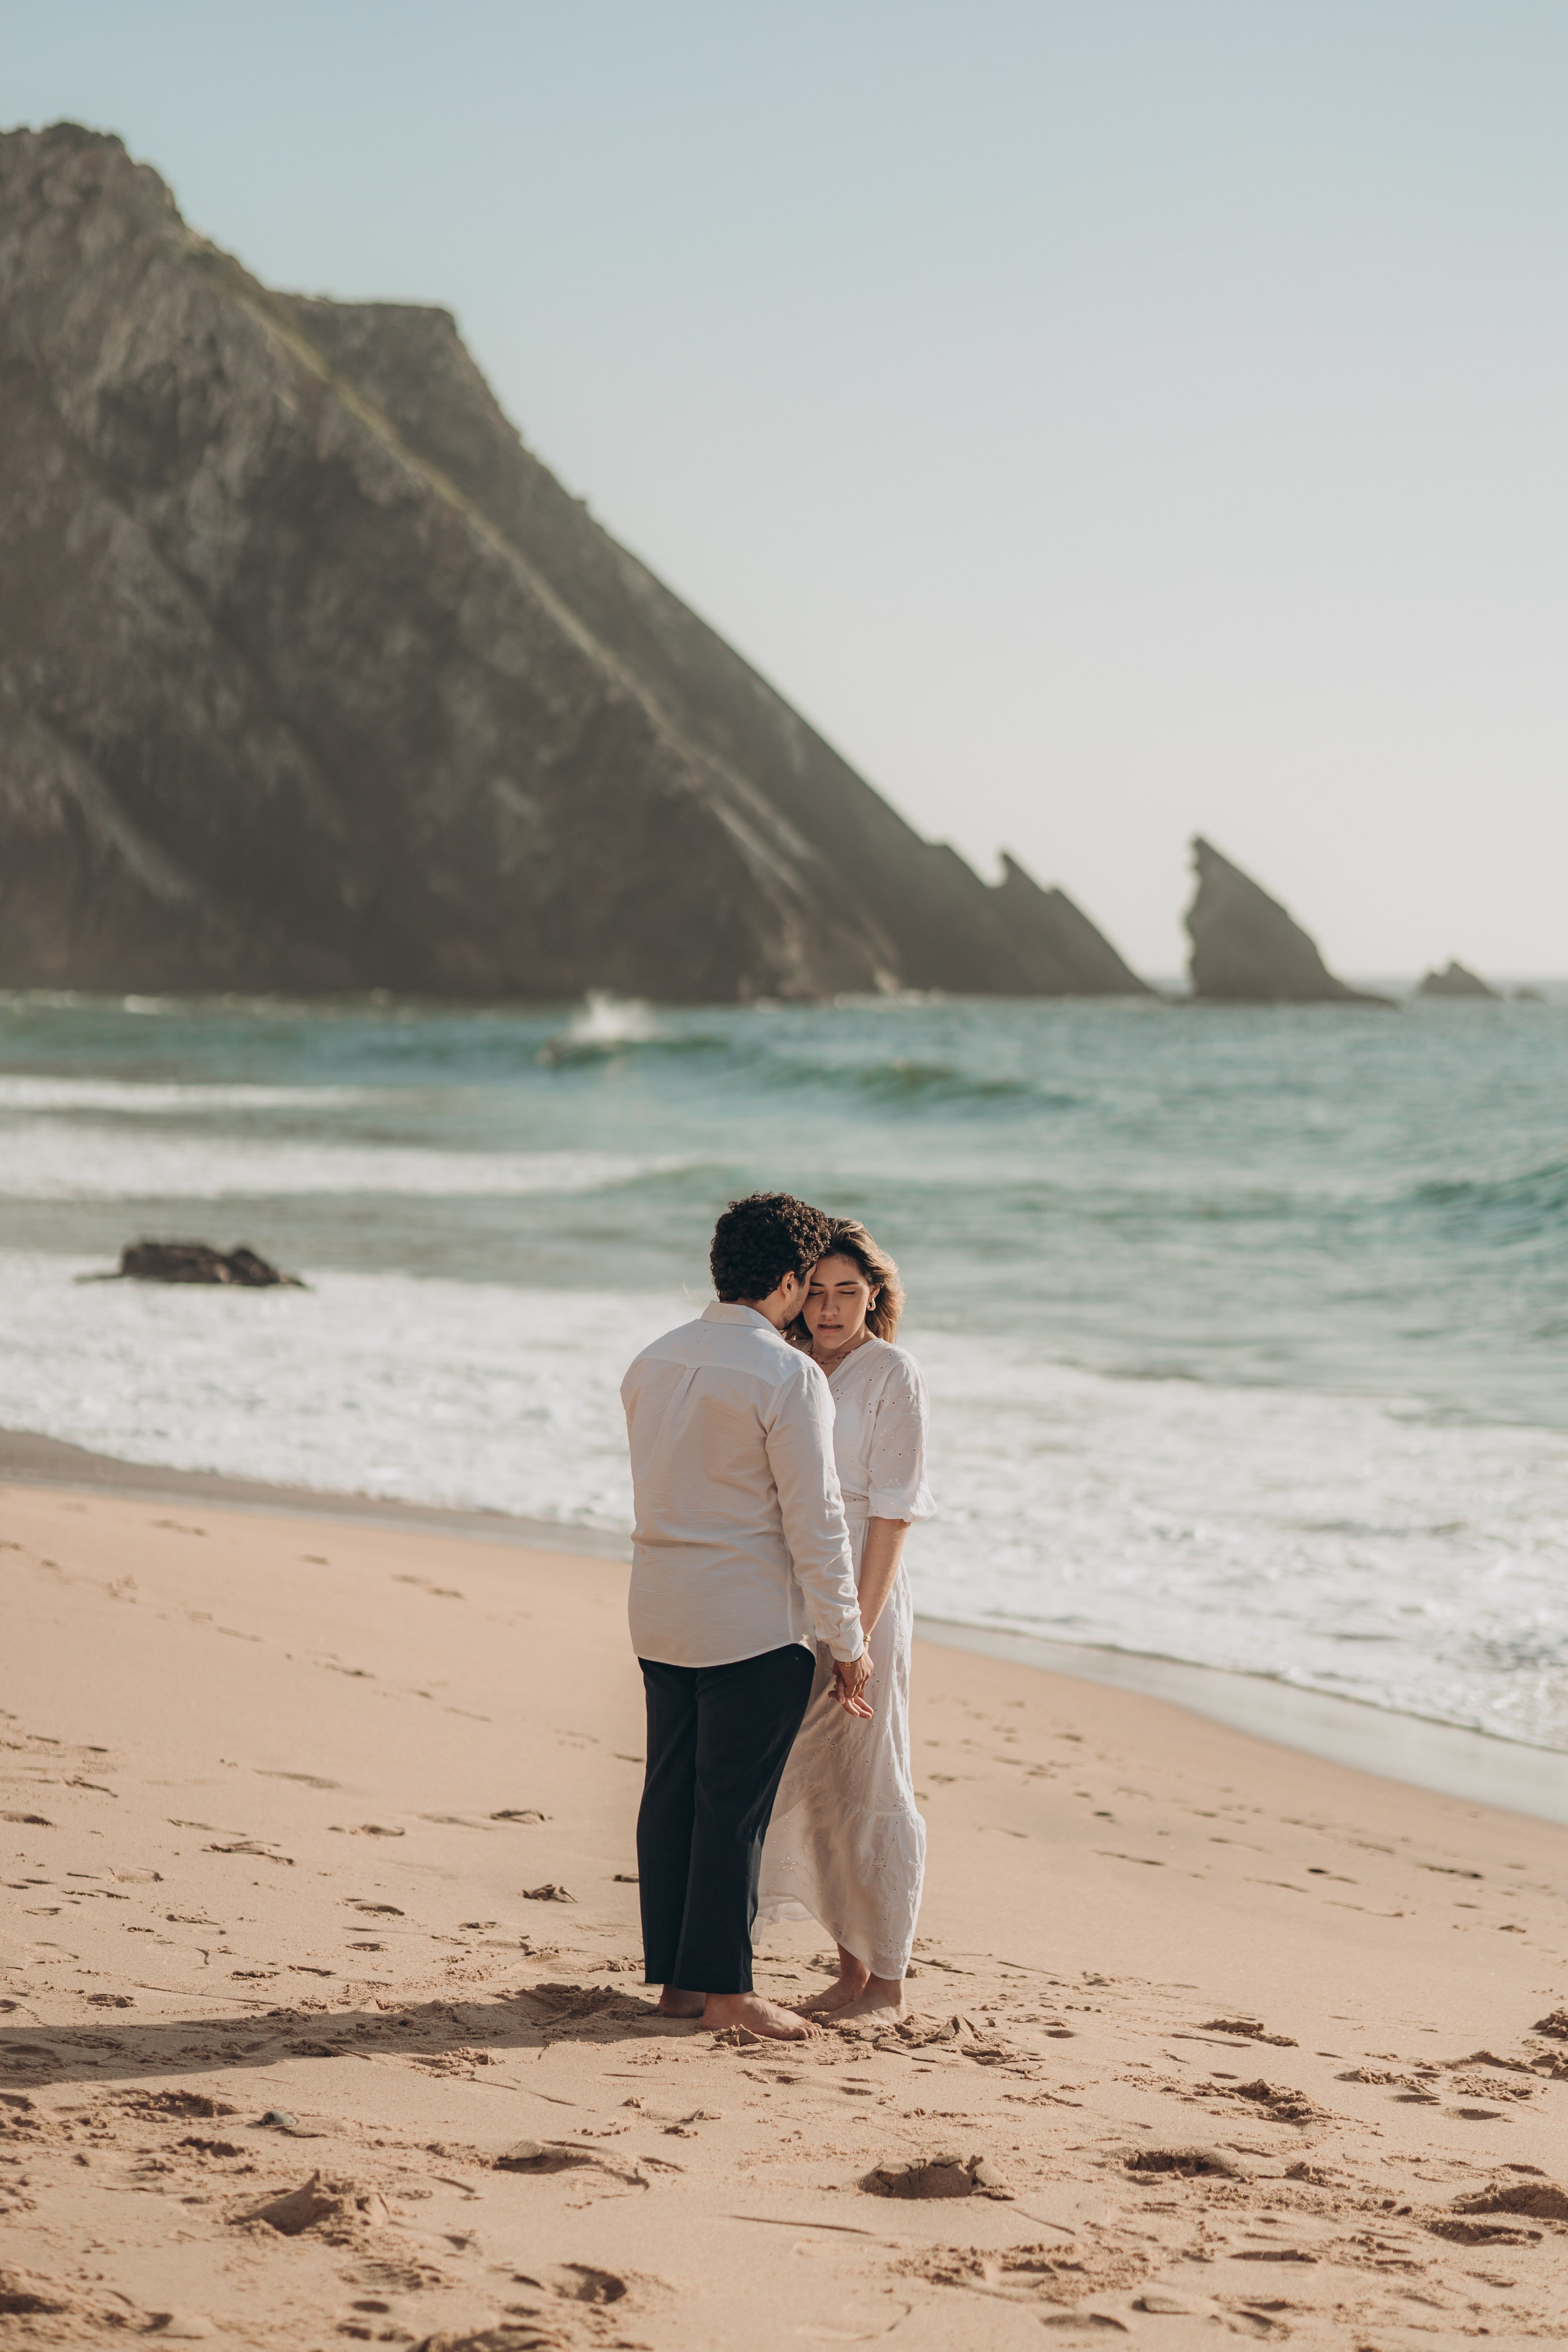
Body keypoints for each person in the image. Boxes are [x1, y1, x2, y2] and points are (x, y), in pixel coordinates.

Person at [620, 1192, 873, 2042]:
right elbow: (817, 1520)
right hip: (750, 1623)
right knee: (734, 1811)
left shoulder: (652, 1360)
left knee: (672, 1797)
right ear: (794, 1282)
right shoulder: (788, 1374)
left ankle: (682, 1988)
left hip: (658, 1605)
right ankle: (727, 1993)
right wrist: (848, 1639)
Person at [756, 1219, 933, 2018]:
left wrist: (855, 1633)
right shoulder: (786, 1366)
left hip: (866, 1588)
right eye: (817, 1292)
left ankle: (887, 1981)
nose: (830, 1309)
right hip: (795, 1589)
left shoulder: (892, 1373)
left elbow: (894, 1512)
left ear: (875, 1295)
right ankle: (849, 1972)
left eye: (848, 1292)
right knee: (820, 1784)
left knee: (870, 1775)